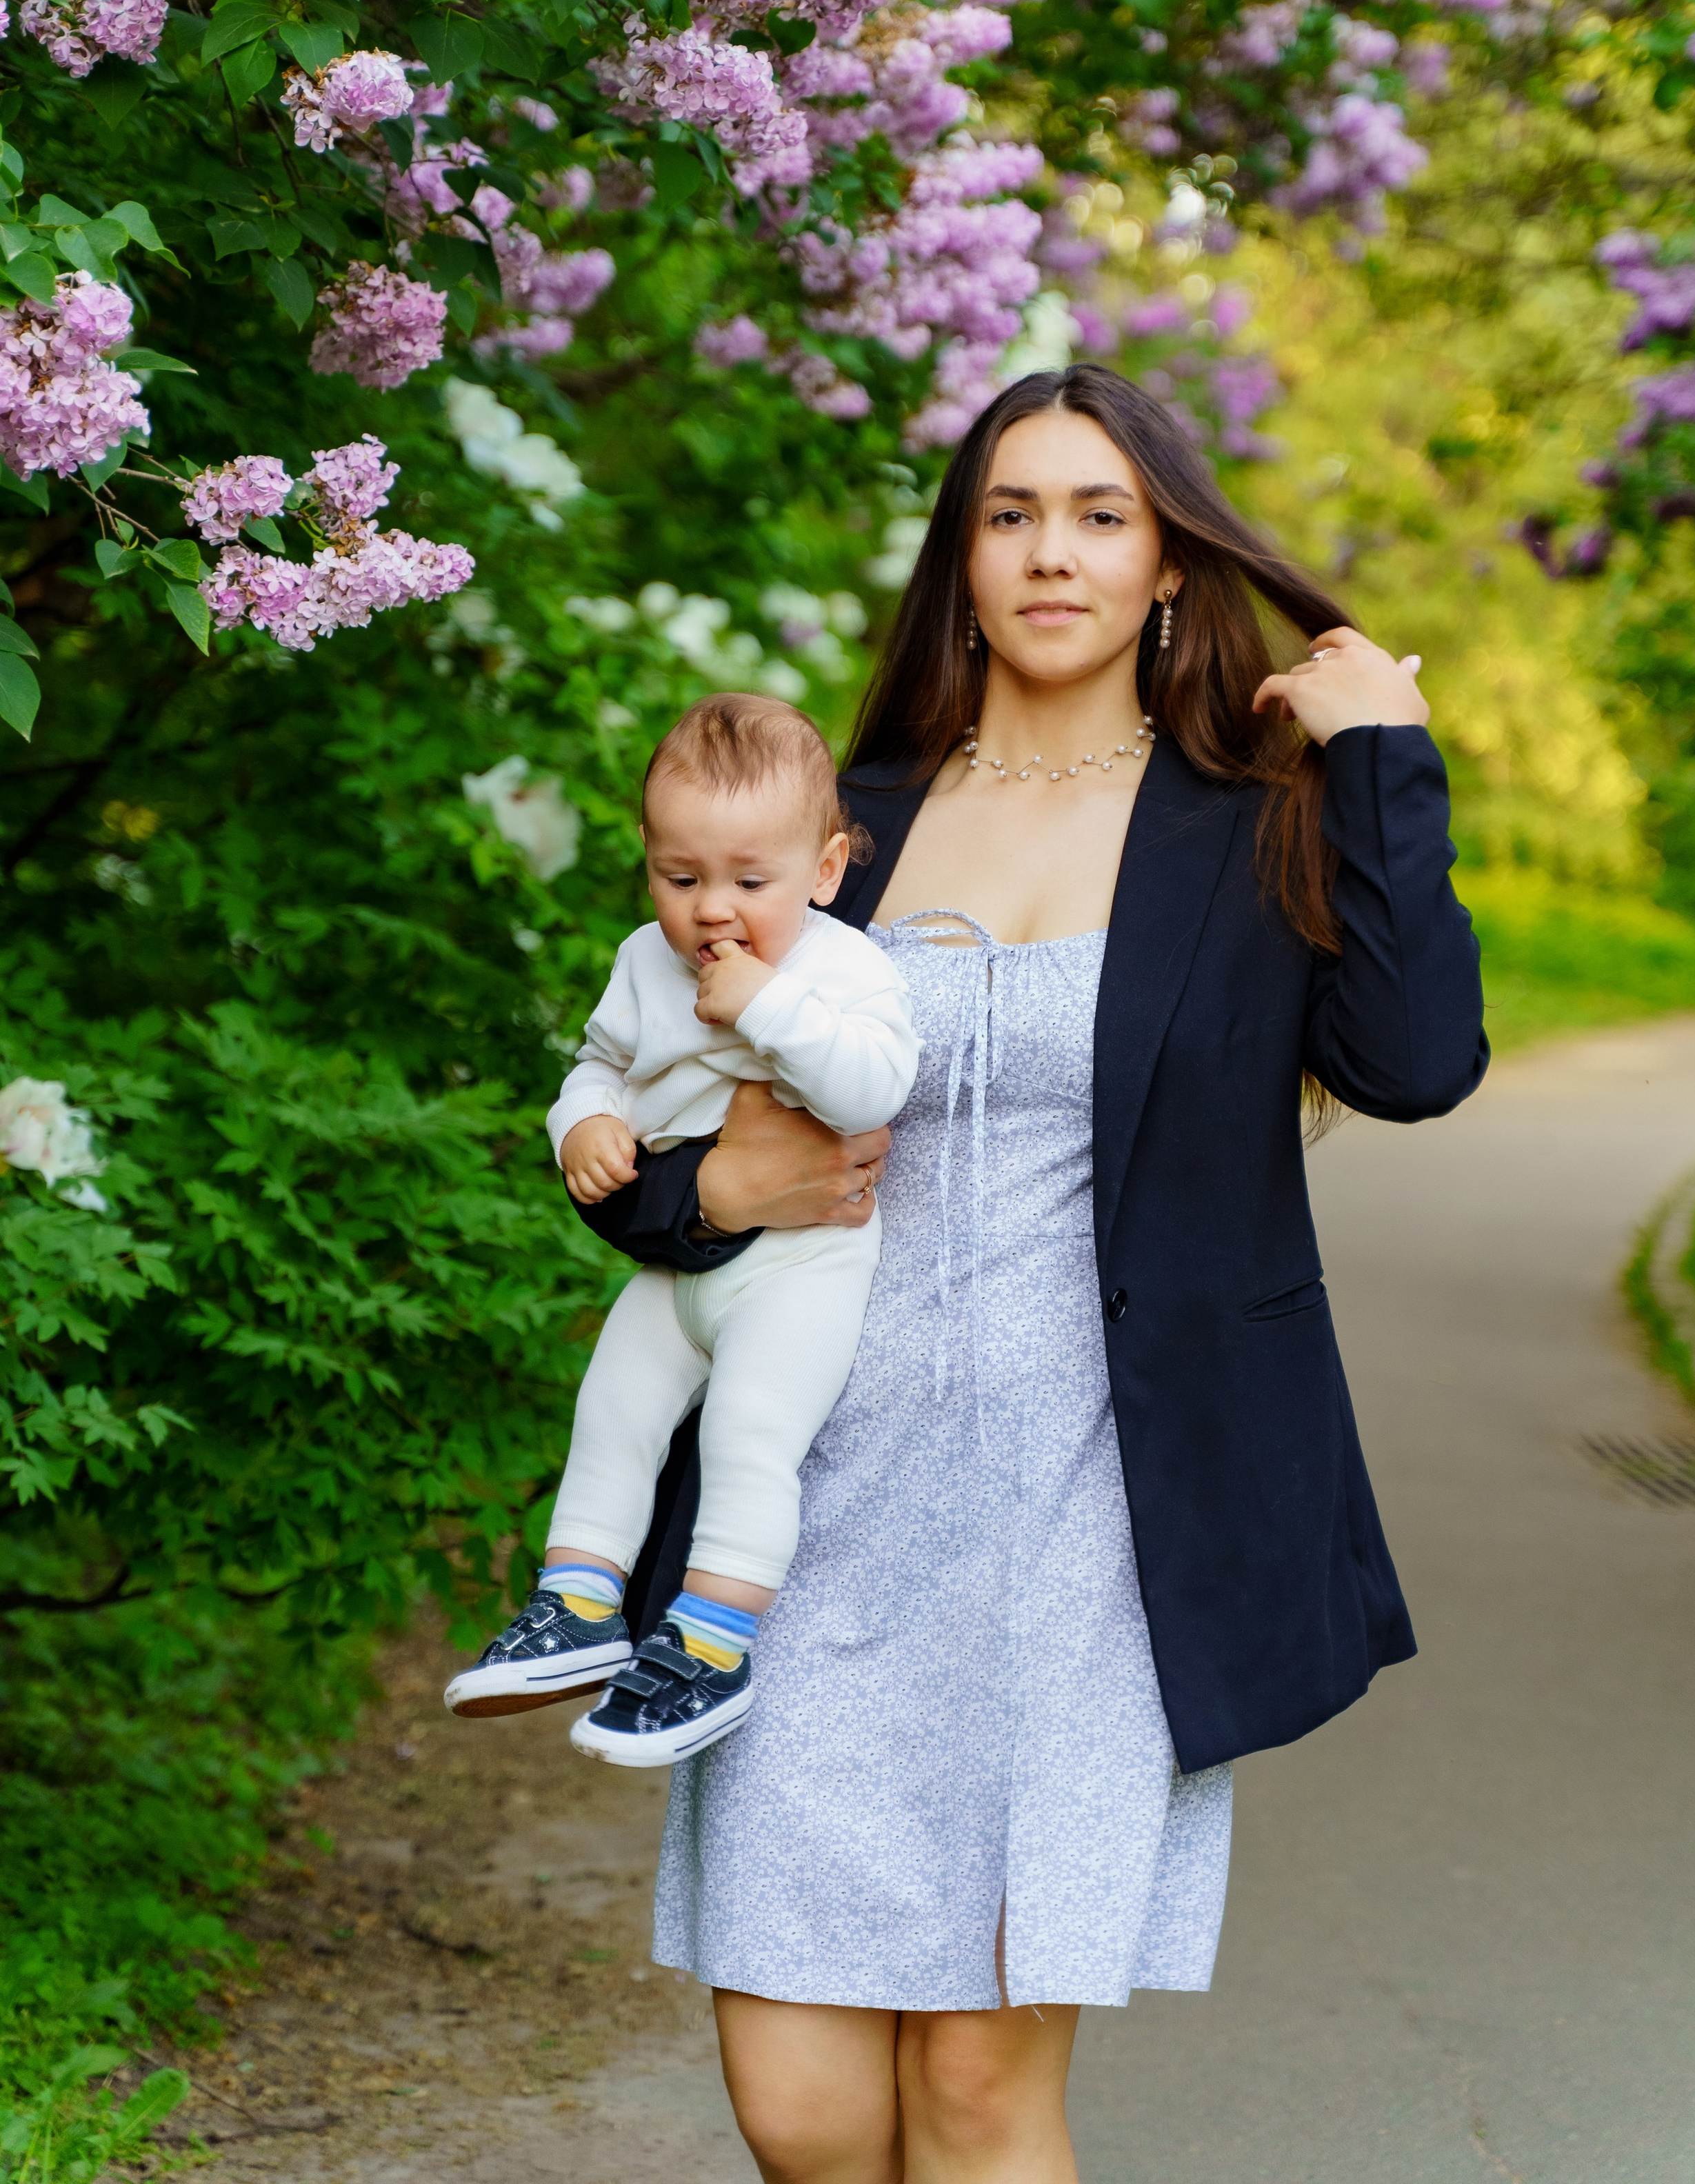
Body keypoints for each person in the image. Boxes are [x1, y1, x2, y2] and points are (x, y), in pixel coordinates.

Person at [576, 363, 1487, 2184]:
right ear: (962, 555)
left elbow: (1412, 1065)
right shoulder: (843, 824)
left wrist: (1382, 759)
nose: (1049, 554)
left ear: (1169, 562)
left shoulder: (1251, 822)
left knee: (980, 2100)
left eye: (1097, 515)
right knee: (801, 2114)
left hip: (1093, 1531)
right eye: (1010, 515)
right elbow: (640, 1096)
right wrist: (702, 1193)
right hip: (810, 1510)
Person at [443, 695, 919, 1763]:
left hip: (803, 1266)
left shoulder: (843, 970)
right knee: (613, 1410)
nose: (713, 912)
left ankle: (711, 1641)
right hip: (677, 1270)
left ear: (824, 871)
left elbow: (873, 1087)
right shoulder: (642, 964)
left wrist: (764, 1005)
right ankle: (579, 1602)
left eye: (751, 882)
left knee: (750, 1433)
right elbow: (598, 1065)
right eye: (681, 878)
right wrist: (585, 1124)